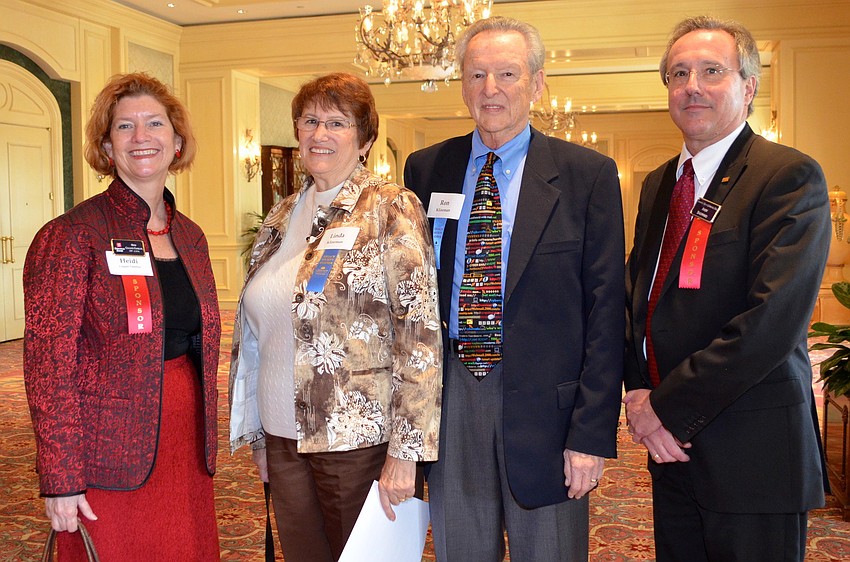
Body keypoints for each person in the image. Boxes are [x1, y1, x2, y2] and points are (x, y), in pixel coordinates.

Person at [403, 16, 624, 560]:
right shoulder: (426, 169)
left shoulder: (586, 175)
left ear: (538, 83)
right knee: (462, 550)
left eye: (507, 73)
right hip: (451, 396)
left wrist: (590, 435)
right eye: (477, 75)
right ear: (462, 85)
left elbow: (606, 313)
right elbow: (408, 296)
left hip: (549, 414)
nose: (491, 89)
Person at [623, 15, 830, 562]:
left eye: (712, 71)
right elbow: (639, 298)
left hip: (752, 454)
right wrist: (636, 390)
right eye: (678, 73)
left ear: (748, 85)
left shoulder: (786, 176)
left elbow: (771, 323)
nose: (692, 86)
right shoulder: (659, 183)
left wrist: (662, 408)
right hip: (672, 453)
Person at [228, 72, 442, 562]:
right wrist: (259, 434)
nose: (319, 134)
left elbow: (420, 335)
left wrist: (406, 452)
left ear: (364, 140)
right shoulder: (282, 215)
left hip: (356, 439)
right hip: (283, 435)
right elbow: (263, 332)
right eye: (310, 121)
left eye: (337, 123)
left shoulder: (390, 208)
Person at [23, 72, 221, 560]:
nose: (141, 137)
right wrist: (61, 477)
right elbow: (48, 368)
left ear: (177, 142)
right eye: (125, 127)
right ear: (107, 147)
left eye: (155, 123)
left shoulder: (191, 237)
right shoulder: (73, 235)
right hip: (106, 454)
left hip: (186, 445)